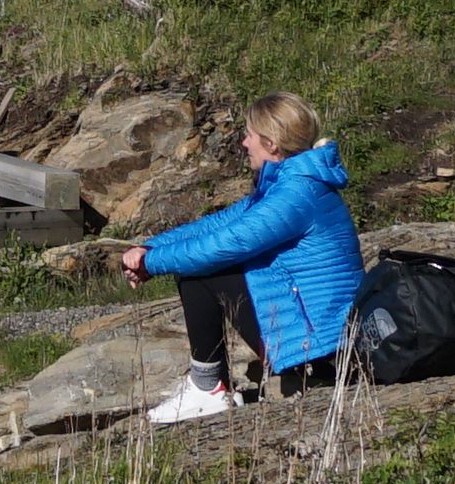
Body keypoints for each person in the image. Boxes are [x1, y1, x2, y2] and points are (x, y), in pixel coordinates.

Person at [127, 94, 355, 423]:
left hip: (318, 346)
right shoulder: (290, 184)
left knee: (204, 271)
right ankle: (208, 386)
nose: (244, 142)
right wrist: (149, 249)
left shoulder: (297, 194)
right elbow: (220, 223)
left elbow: (224, 244)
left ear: (271, 143)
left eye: (249, 134)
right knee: (201, 264)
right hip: (316, 335)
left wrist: (149, 264)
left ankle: (207, 389)